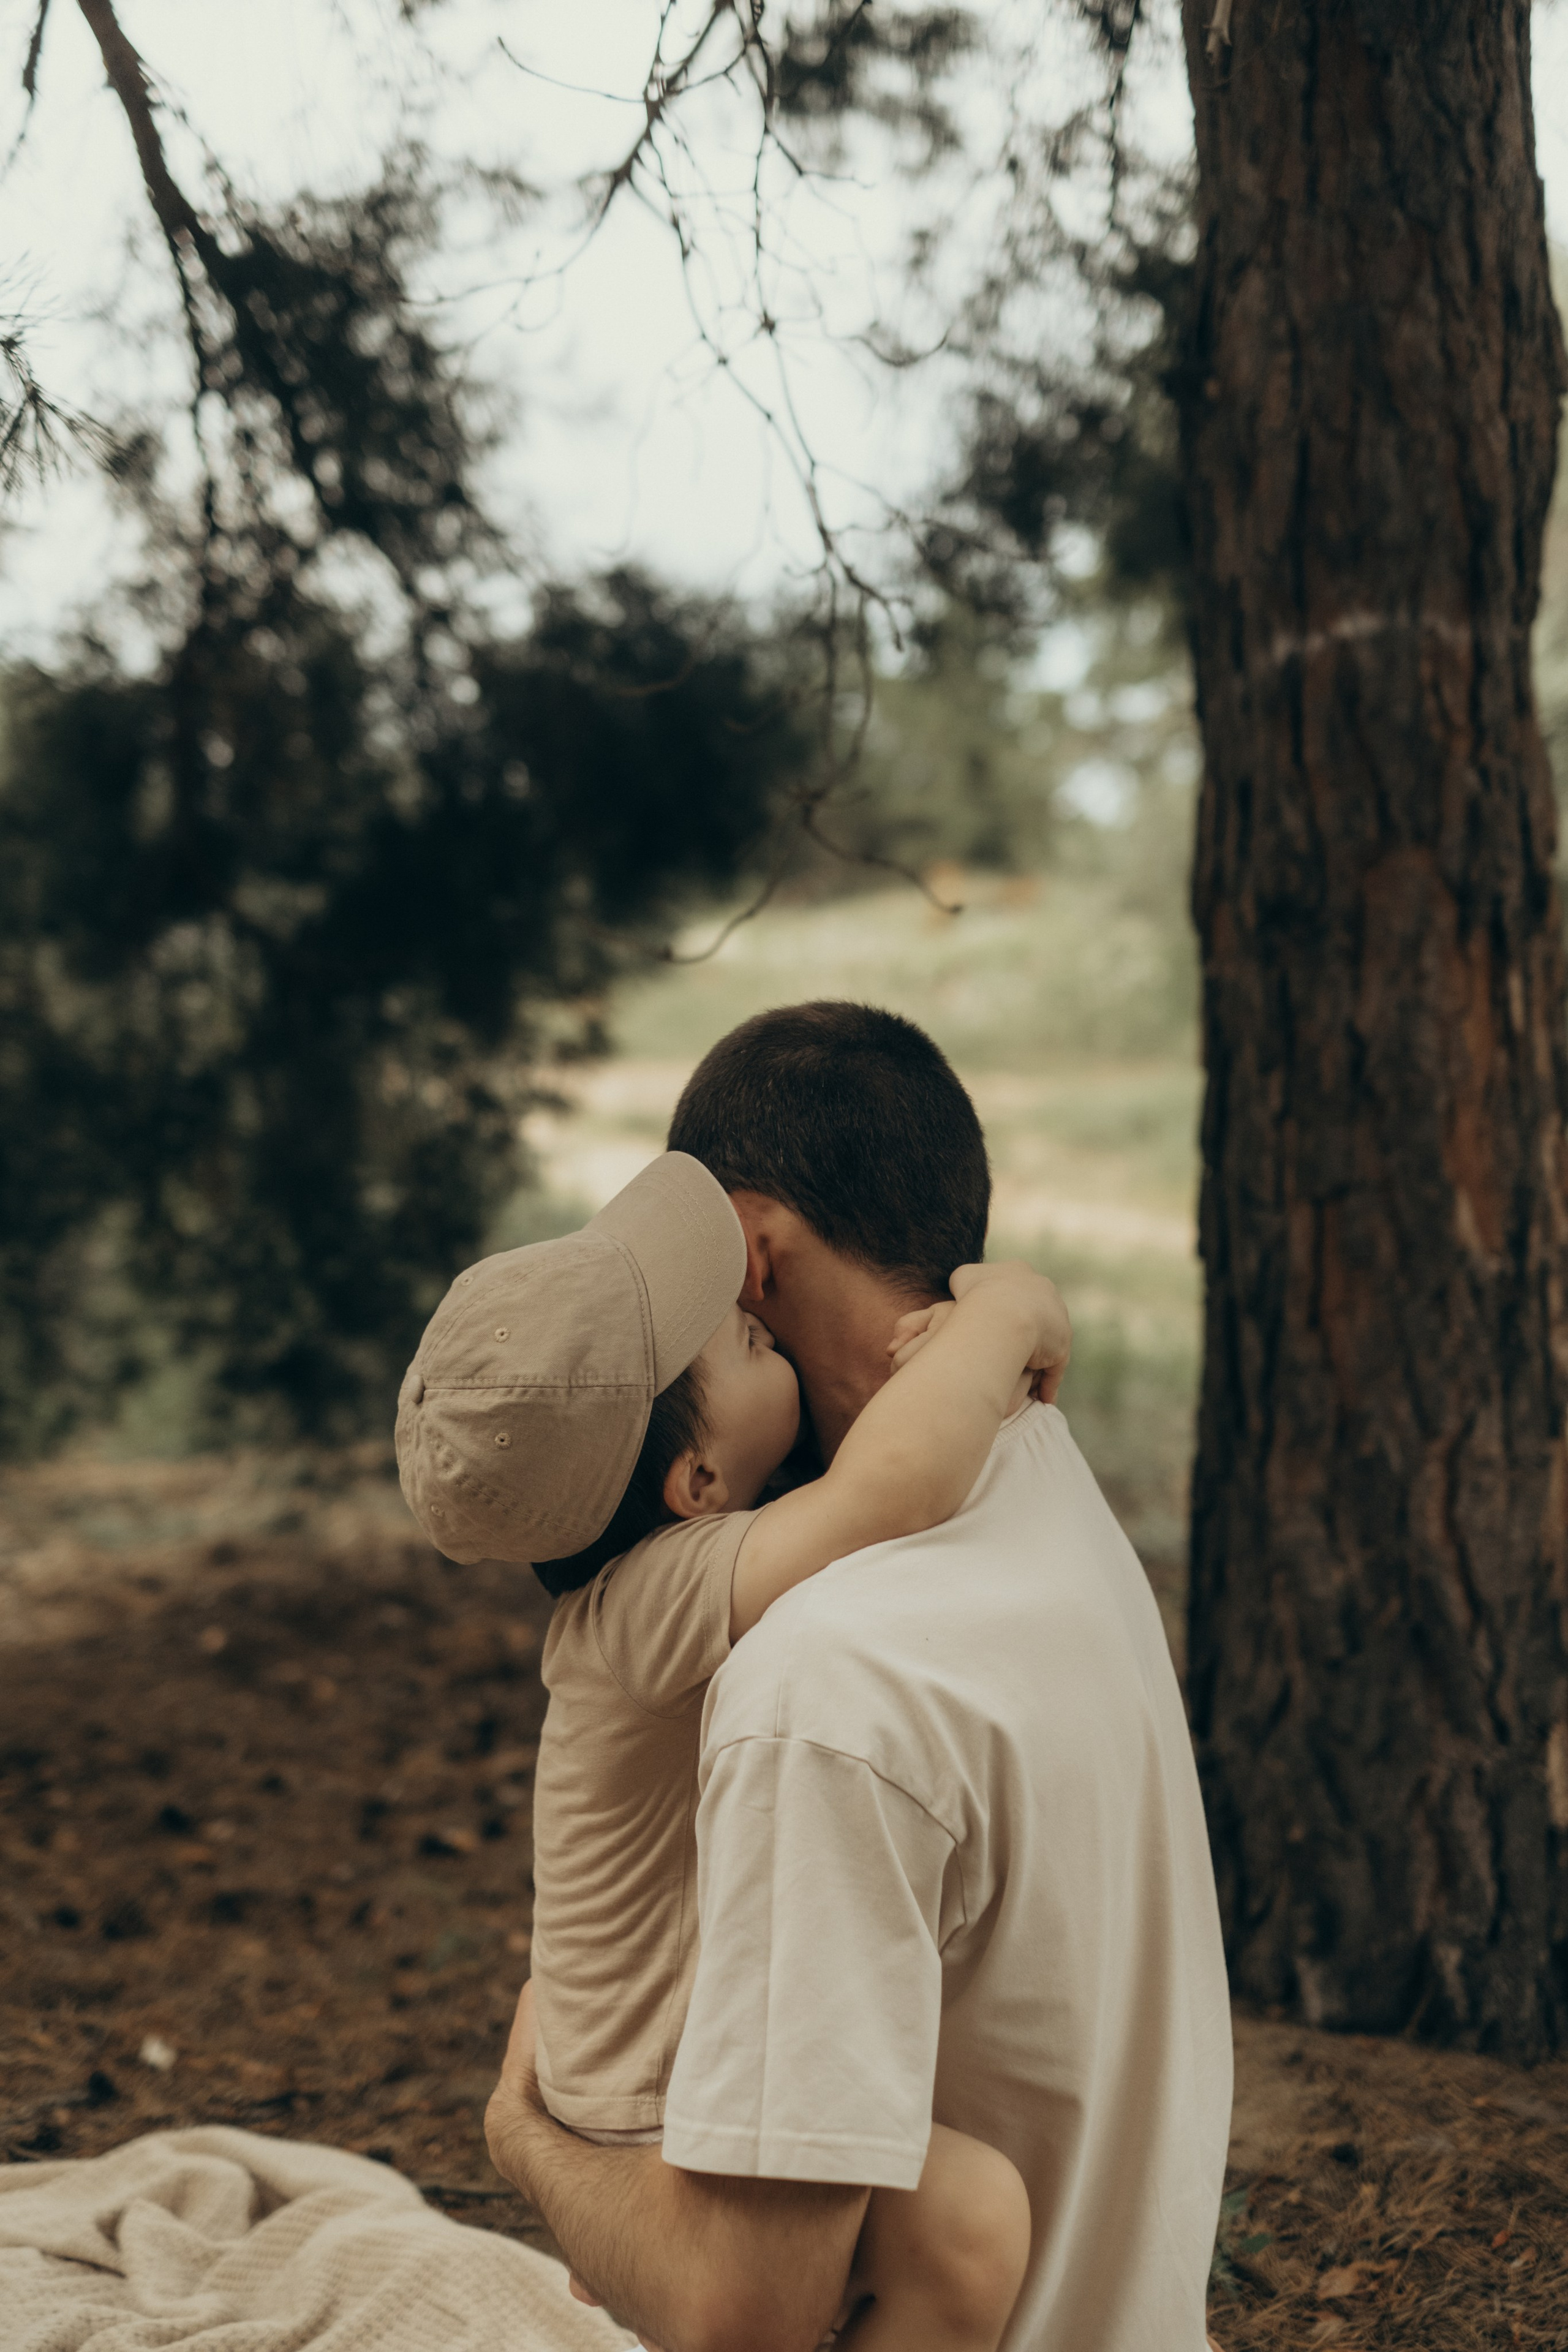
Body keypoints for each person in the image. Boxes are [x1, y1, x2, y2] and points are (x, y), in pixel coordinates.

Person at [486, 1003, 1234, 2352]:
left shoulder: (829, 1686)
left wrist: (524, 2141)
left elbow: (733, 2322)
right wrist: (1006, 1307)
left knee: (933, 2223)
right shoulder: (1035, 1475)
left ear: (753, 1260)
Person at [398, 1147, 1072, 2351]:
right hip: (638, 2108)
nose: (760, 1319)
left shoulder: (625, 1587)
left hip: (646, 2065)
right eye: (742, 1345)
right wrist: (1009, 1310)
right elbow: (894, 1484)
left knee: (956, 2227)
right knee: (963, 2218)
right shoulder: (652, 1598)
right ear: (695, 1480)